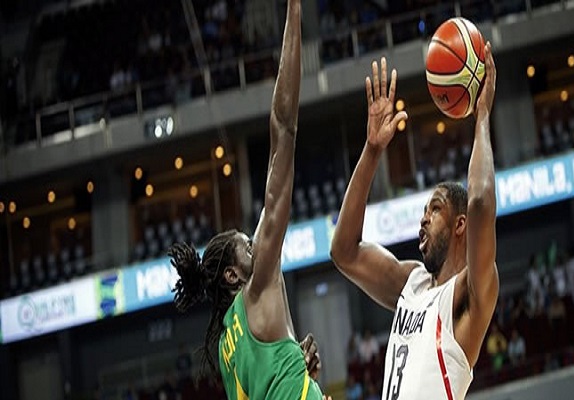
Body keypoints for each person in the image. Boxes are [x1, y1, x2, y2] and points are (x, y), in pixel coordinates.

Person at [167, 0, 329, 398]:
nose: (254, 244)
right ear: (231, 275)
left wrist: (299, 370)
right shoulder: (258, 284)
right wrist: (293, 13)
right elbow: (283, 130)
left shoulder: (226, 347)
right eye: (246, 244)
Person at [330, 43, 498, 400]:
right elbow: (343, 251)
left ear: (460, 225)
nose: (423, 220)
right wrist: (372, 150)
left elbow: (481, 200)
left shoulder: (469, 294)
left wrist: (481, 116)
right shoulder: (411, 283)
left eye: (434, 209)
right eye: (423, 212)